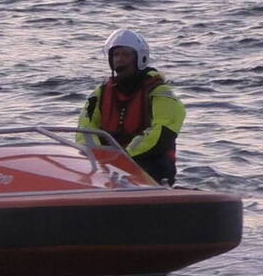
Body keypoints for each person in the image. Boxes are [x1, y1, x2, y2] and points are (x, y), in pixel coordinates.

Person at [78, 28, 185, 185]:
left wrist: (124, 156)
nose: (120, 60)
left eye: (126, 55)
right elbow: (85, 129)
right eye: (116, 55)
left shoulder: (160, 93)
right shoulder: (100, 94)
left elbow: (161, 133)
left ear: (139, 58)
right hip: (107, 166)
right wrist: (99, 155)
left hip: (149, 166)